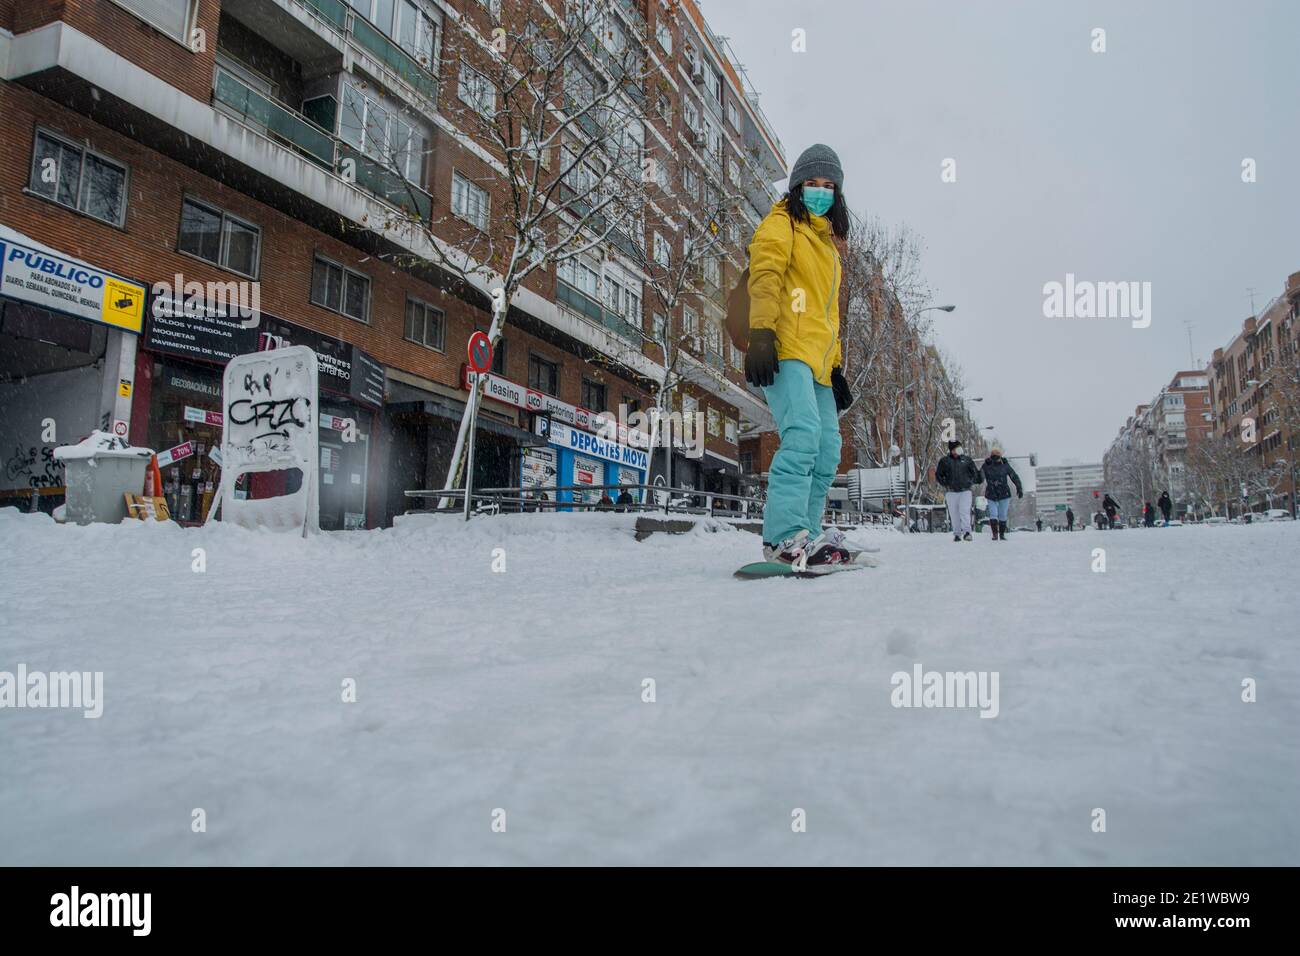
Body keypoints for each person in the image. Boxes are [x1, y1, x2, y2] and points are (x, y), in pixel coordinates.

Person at [745, 144, 854, 568]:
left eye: (829, 186)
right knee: (803, 435)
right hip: (785, 349)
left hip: (820, 363)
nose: (820, 192)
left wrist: (837, 365)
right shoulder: (781, 224)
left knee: (828, 449)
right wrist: (761, 333)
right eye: (812, 184)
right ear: (796, 186)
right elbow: (766, 276)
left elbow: (828, 316)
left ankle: (804, 534)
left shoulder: (827, 245)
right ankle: (781, 537)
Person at [936, 440, 982, 541]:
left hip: (965, 491)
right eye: (957, 448)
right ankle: (957, 533)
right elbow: (939, 475)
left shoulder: (967, 460)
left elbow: (975, 473)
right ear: (952, 450)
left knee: (964, 511)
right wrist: (946, 483)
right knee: (954, 513)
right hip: (951, 492)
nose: (959, 449)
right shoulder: (945, 461)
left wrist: (971, 481)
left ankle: (967, 532)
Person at [978, 446, 1023, 541]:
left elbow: (1014, 476)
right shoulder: (986, 466)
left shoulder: (1005, 465)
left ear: (1000, 456)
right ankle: (995, 534)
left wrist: (1019, 487)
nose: (995, 458)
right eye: (993, 456)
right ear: (991, 456)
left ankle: (1002, 535)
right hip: (991, 493)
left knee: (1003, 514)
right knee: (993, 514)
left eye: (997, 456)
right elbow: (979, 477)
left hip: (1004, 494)